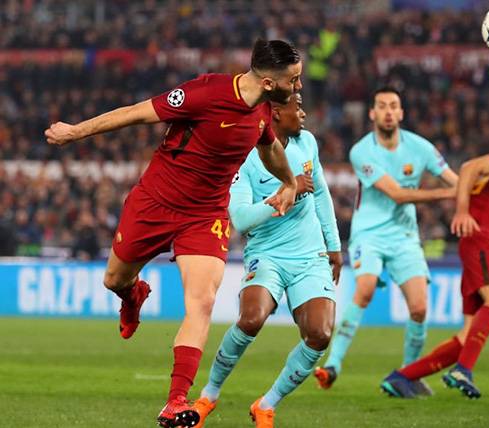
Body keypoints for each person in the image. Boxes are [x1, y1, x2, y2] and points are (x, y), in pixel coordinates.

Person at [44, 39, 302, 427]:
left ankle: (176, 400)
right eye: (293, 81)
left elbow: (269, 147)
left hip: (206, 214)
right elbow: (136, 113)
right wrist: (74, 132)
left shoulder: (265, 111)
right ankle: (132, 295)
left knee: (202, 301)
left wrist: (289, 182)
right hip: (155, 202)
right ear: (269, 82)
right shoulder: (205, 92)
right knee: (114, 278)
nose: (297, 88)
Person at [191, 94, 340, 428]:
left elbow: (321, 195)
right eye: (296, 107)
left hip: (310, 254)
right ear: (274, 114)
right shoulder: (245, 157)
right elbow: (241, 218)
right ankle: (209, 395)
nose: (302, 112)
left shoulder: (307, 143)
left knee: (319, 333)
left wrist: (334, 245)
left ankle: (266, 404)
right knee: (252, 319)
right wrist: (288, 191)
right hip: (267, 254)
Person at [381, 137, 489, 399]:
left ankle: (401, 378)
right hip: (483, 238)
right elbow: (470, 167)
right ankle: (463, 370)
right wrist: (462, 211)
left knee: (467, 335)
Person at [314, 87, 458, 393]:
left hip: (405, 236)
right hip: (369, 233)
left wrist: (472, 189)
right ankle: (333, 364)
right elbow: (398, 193)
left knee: (419, 309)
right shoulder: (361, 151)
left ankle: (406, 376)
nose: (389, 111)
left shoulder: (421, 148)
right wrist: (449, 194)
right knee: (364, 289)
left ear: (402, 113)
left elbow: (457, 181)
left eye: (394, 106)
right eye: (382, 106)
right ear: (372, 114)